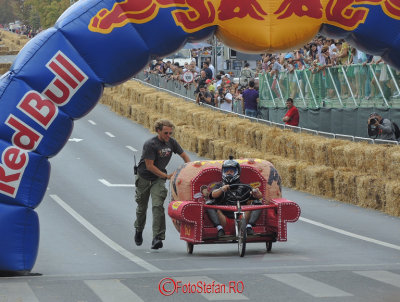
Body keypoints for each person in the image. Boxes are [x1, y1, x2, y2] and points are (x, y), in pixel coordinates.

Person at [134, 119, 190, 249]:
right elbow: (149, 166)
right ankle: (139, 229)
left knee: (158, 206)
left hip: (158, 180)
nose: (168, 136)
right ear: (158, 131)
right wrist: (166, 176)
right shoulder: (151, 144)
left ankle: (157, 237)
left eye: (170, 133)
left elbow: (184, 156)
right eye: (166, 133)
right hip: (144, 177)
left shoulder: (172, 143)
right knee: (142, 208)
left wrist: (189, 168)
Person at [205, 157, 263, 237]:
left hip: (242, 217)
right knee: (209, 204)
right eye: (226, 171)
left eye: (231, 171)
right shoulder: (219, 185)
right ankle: (219, 229)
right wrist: (222, 189)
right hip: (224, 218)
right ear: (223, 172)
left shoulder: (244, 186)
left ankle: (249, 227)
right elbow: (212, 195)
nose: (229, 173)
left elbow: (259, 196)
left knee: (258, 203)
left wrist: (255, 191)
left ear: (237, 172)